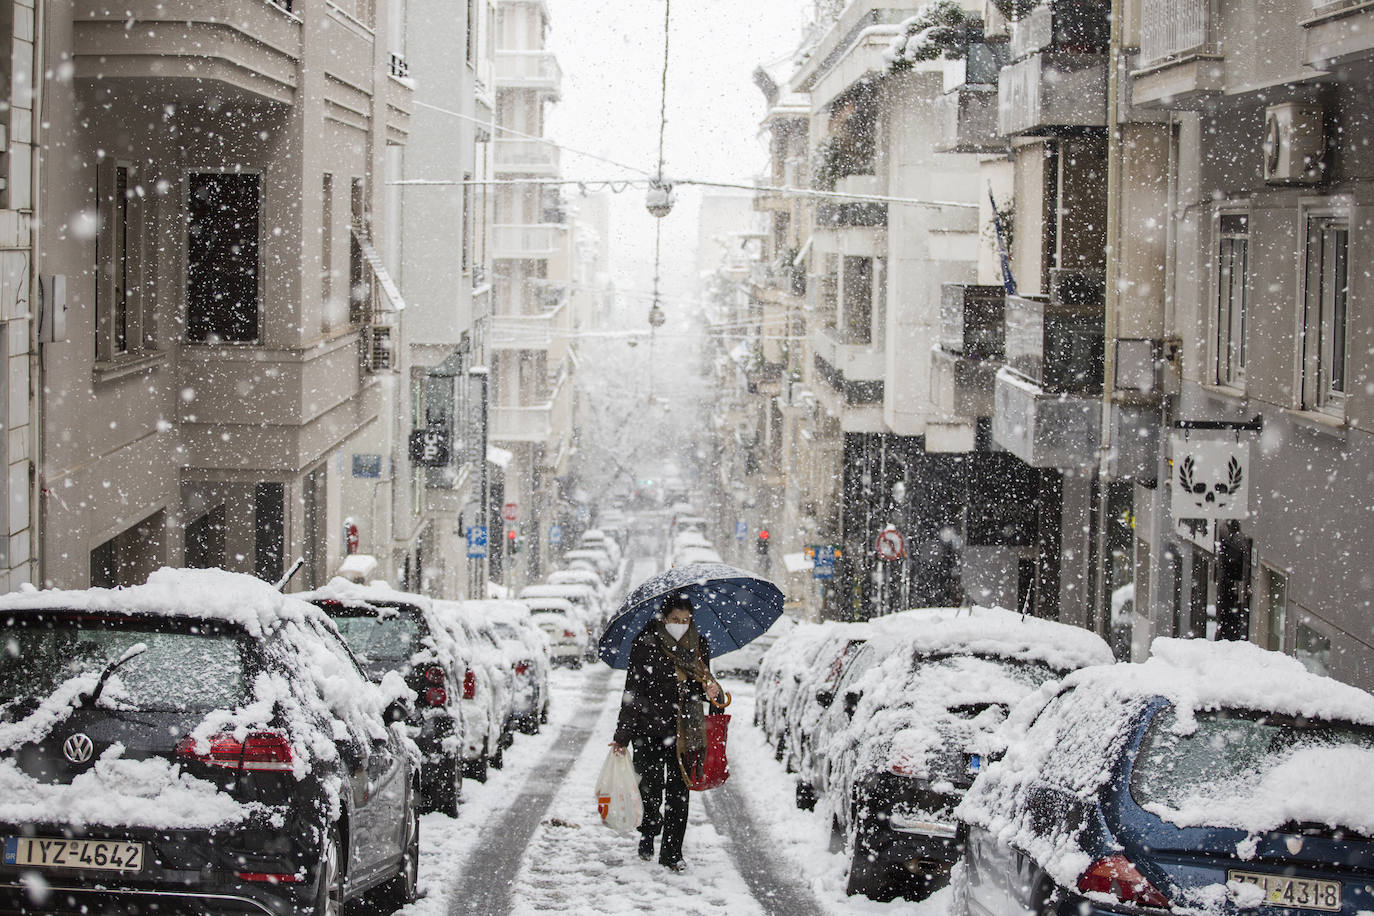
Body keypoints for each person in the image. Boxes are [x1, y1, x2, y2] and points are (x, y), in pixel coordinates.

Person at [609, 592, 721, 871]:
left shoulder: (698, 646)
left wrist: (712, 690)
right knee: (650, 787)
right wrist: (622, 736)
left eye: (686, 619)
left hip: (686, 730)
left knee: (679, 793)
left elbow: (705, 684)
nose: (681, 624)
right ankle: (649, 829)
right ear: (663, 618)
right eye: (675, 619)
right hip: (649, 729)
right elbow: (632, 692)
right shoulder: (645, 644)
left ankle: (672, 853)